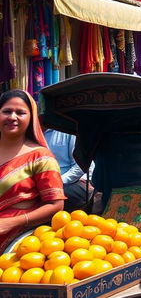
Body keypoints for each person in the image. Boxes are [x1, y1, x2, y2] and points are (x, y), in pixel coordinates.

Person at [0, 90, 65, 250]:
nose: (12, 117)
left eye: (20, 112)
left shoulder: (40, 157)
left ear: (31, 118)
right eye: (6, 111)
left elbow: (56, 205)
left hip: (16, 241)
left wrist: (12, 222)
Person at [44, 129, 94, 210]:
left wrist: (60, 181)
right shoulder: (29, 134)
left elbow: (81, 165)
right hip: (46, 183)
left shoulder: (67, 130)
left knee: (57, 195)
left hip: (74, 181)